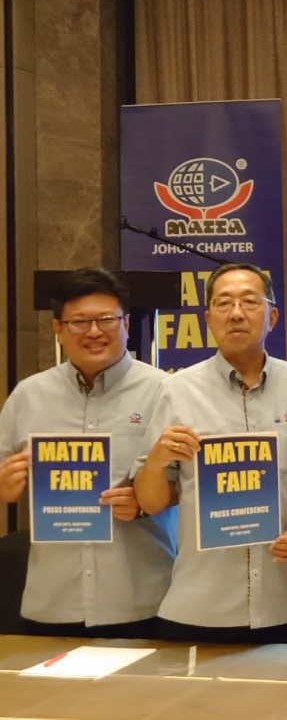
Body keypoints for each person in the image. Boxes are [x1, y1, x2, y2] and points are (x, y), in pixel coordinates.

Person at [132, 262, 287, 644]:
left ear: (272, 316)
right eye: (223, 303)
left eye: (250, 301)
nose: (236, 313)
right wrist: (156, 461)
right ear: (208, 319)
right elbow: (150, 502)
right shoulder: (176, 390)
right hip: (199, 608)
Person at [0, 268, 174, 638]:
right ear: (58, 329)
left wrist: (146, 502)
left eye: (106, 319)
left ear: (126, 323)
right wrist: (4, 484)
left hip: (144, 599)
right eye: (79, 322)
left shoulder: (167, 391)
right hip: (52, 602)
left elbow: (196, 486)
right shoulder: (28, 395)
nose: (94, 331)